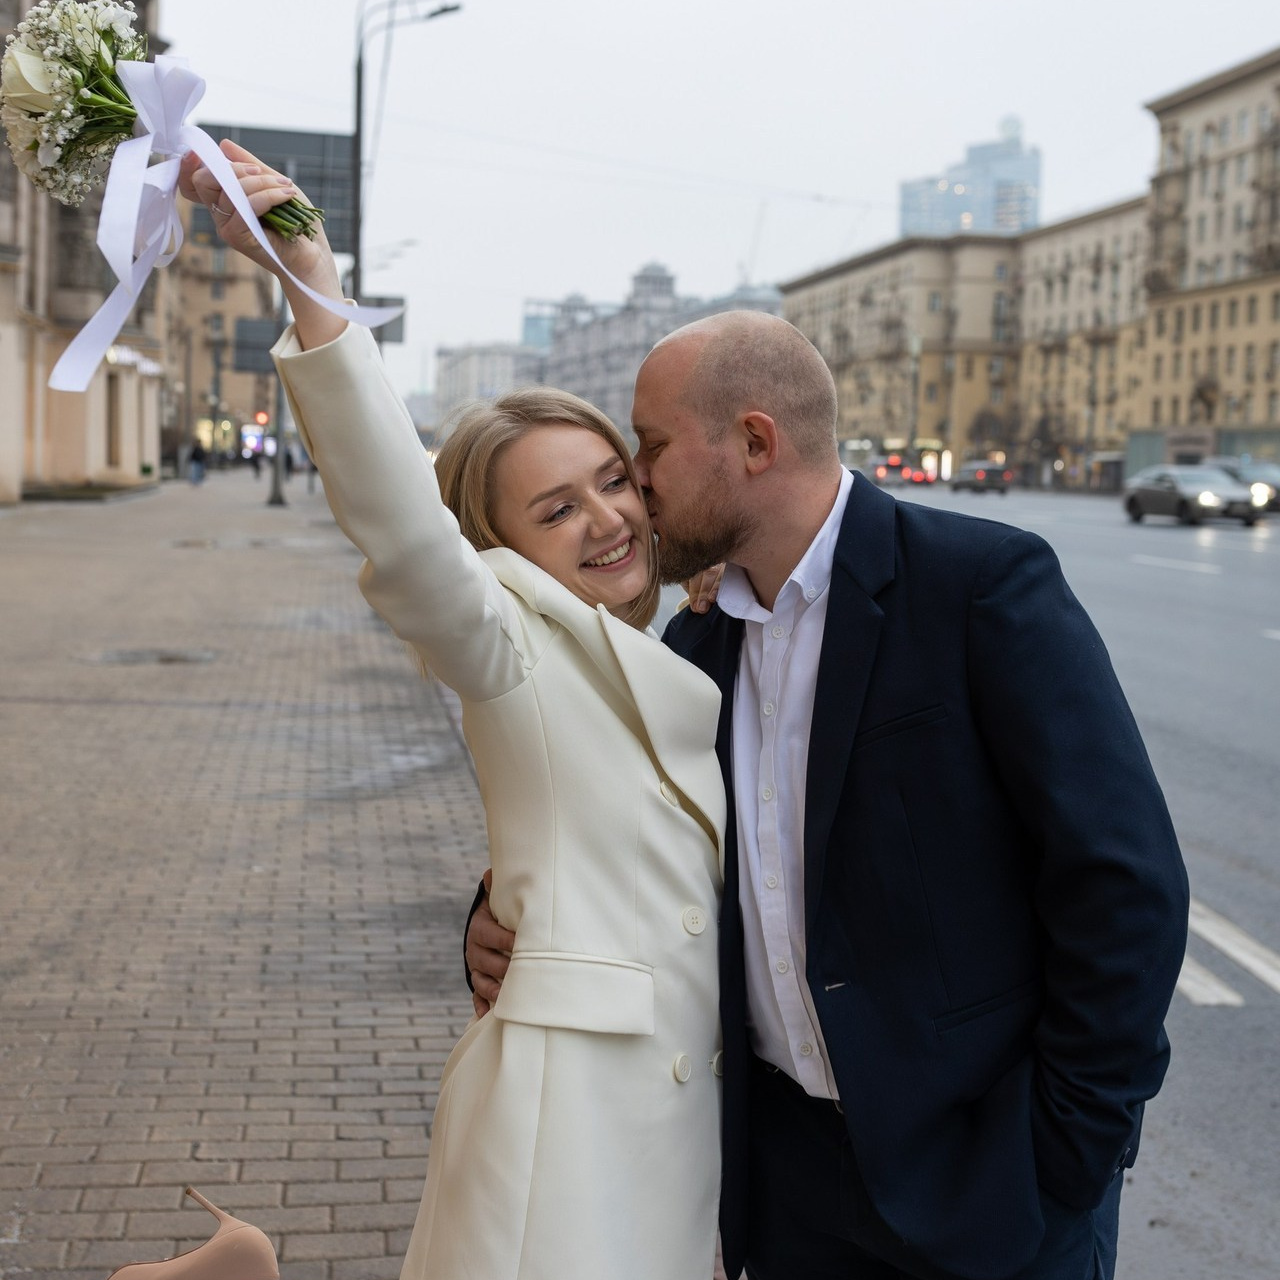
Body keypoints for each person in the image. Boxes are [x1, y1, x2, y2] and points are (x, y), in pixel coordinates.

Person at [467, 309, 1191, 1280]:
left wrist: (1064, 1149)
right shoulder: (693, 653)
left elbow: (1123, 884)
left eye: (649, 445)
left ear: (753, 443)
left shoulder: (975, 587)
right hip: (790, 1191)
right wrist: (493, 911)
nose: (636, 481)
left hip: (990, 1186)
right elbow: (623, 839)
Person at [179, 140, 726, 1280]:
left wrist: (497, 897)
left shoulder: (672, 644)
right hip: (564, 1131)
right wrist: (308, 277)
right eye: (554, 508)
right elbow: (400, 523)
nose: (605, 519)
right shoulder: (503, 640)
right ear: (498, 550)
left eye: (612, 481)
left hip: (667, 1132)